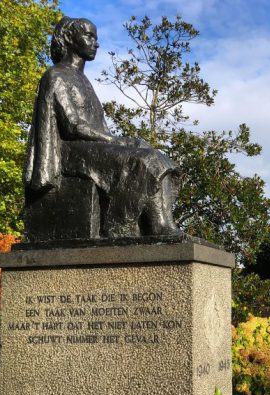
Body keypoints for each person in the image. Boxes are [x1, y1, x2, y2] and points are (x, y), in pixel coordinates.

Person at [24, 16, 181, 238]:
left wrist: (120, 140)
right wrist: (116, 141)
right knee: (144, 160)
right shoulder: (55, 75)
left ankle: (162, 224)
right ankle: (128, 226)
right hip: (69, 151)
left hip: (88, 145)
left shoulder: (83, 80)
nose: (95, 43)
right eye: (89, 36)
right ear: (70, 38)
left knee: (154, 155)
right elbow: (72, 126)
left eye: (95, 37)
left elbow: (97, 126)